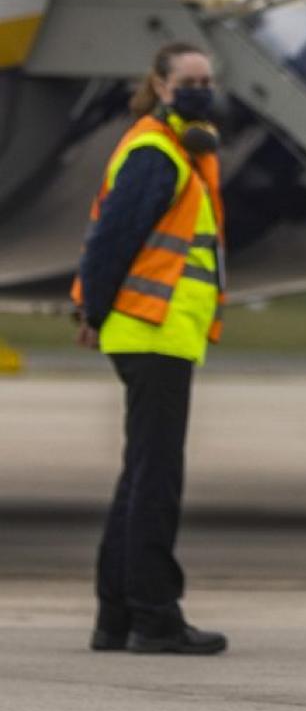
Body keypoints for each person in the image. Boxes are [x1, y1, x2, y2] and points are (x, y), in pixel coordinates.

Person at [70, 42, 229, 656]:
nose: (199, 88)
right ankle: (154, 616)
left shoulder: (178, 151)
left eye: (207, 79)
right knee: (156, 480)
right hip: (151, 329)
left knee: (139, 475)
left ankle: (115, 617)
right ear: (161, 86)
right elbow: (111, 239)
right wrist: (92, 308)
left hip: (159, 331)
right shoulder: (156, 153)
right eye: (188, 80)